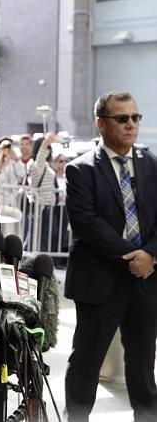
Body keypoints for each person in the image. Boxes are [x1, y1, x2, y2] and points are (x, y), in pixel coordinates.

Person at [64, 91, 157, 422]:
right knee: (86, 364)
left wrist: (151, 256)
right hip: (99, 280)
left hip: (145, 283)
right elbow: (87, 224)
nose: (131, 124)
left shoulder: (151, 165)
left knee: (143, 366)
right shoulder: (81, 170)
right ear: (101, 123)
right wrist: (134, 256)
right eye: (122, 118)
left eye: (135, 117)